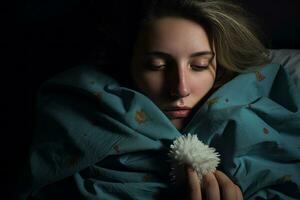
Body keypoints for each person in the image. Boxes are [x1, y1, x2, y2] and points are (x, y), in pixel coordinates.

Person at [16, 0, 300, 199]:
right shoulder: (80, 112)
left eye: (199, 65)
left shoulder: (260, 113)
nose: (180, 88)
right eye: (156, 65)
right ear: (129, 63)